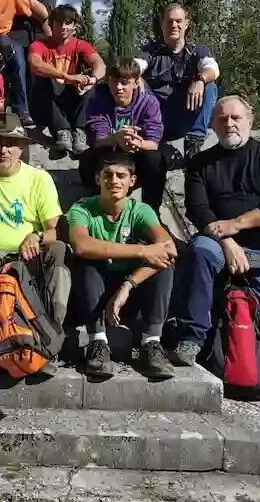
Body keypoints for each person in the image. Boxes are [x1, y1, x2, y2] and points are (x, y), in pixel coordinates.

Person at [173, 96, 260, 416]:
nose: (230, 123)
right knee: (200, 250)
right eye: (222, 119)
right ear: (212, 125)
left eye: (236, 118)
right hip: (220, 243)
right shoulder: (201, 163)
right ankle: (194, 337)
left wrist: (236, 224)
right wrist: (229, 240)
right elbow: (198, 209)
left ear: (249, 120)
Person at [67, 153, 178, 381]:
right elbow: (81, 245)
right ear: (98, 179)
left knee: (164, 266)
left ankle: (151, 344)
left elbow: (169, 250)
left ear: (132, 181)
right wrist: (142, 250)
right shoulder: (82, 209)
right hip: (93, 295)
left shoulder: (140, 211)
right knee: (87, 261)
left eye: (121, 176)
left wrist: (128, 285)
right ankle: (97, 342)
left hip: (130, 297)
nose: (114, 181)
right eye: (107, 175)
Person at [0, 113, 70, 335]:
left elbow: (55, 230)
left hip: (29, 256)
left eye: (11, 144)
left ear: (22, 148)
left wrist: (36, 236)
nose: (4, 150)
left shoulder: (38, 178)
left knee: (58, 249)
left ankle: (53, 329)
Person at [80, 58, 168, 211]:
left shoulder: (149, 102)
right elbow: (98, 139)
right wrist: (116, 138)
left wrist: (138, 143)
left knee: (156, 159)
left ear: (135, 82)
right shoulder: (98, 99)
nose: (118, 88)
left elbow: (153, 142)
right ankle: (97, 202)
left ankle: (152, 210)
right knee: (88, 157)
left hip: (136, 156)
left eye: (124, 83)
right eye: (114, 82)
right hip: (110, 151)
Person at [137, 3, 221, 160]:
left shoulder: (198, 51)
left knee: (210, 85)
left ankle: (194, 141)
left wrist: (200, 79)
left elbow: (212, 68)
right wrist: (136, 77)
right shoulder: (150, 51)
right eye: (169, 21)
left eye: (178, 21)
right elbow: (136, 65)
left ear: (186, 23)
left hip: (185, 117)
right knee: (133, 80)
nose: (174, 25)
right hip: (157, 118)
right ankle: (152, 137)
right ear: (162, 24)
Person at [28, 5, 106, 155]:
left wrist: (93, 79)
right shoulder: (39, 45)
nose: (63, 27)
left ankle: (79, 131)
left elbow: (99, 64)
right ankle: (62, 130)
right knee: (47, 79)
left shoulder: (81, 45)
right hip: (47, 101)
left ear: (74, 26)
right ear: (51, 25)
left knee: (91, 83)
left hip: (71, 98)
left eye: (68, 23)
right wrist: (67, 77)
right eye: (59, 23)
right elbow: (35, 64)